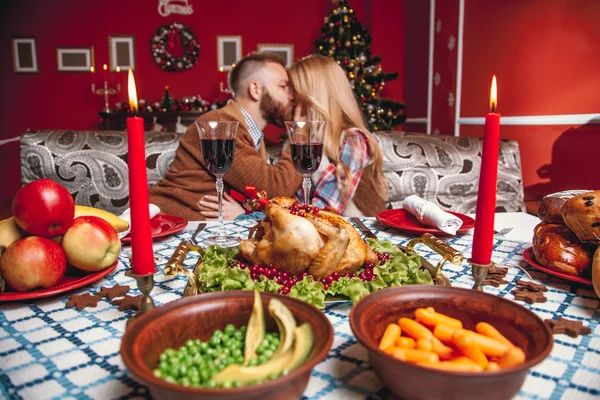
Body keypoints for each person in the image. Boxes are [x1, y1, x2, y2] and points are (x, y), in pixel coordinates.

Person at [202, 54, 389, 218]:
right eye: (286, 89)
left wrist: (249, 216)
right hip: (301, 235)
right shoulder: (293, 144)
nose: (290, 100)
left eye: (295, 94)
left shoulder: (353, 140)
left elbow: (323, 210)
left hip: (346, 238)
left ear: (315, 98)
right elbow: (282, 200)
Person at [148, 52, 303, 220]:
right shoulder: (221, 125)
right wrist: (302, 134)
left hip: (200, 227)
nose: (291, 96)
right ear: (256, 89)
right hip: (167, 223)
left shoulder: (251, 134)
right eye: (283, 86)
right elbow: (274, 188)